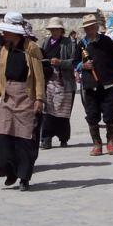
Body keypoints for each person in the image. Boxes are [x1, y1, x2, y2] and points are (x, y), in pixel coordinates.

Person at [0, 17, 45, 191]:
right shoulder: (6, 48)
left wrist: (39, 99)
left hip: (26, 96)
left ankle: (24, 177)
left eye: (6, 31)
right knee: (6, 135)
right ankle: (10, 172)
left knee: (25, 138)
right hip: (8, 95)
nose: (3, 34)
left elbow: (38, 76)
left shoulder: (32, 48)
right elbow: (1, 74)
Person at [74, 14, 113, 156]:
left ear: (96, 27)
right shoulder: (82, 44)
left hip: (109, 83)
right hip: (90, 85)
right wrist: (82, 65)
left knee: (110, 114)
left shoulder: (107, 41)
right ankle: (97, 143)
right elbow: (75, 61)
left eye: (91, 27)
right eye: (87, 28)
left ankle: (111, 141)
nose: (89, 30)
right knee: (92, 115)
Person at [39, 17, 76, 149]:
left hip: (64, 82)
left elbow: (74, 62)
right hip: (49, 81)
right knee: (48, 111)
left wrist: (60, 63)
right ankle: (46, 139)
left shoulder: (69, 43)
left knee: (63, 113)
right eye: (52, 29)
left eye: (56, 29)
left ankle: (63, 138)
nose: (54, 31)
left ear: (61, 30)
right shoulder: (46, 42)